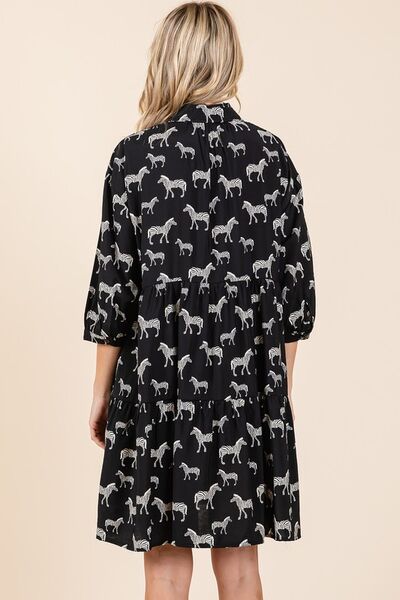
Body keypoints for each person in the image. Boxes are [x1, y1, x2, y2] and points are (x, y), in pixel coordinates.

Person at [82, 2, 316, 599]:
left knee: (163, 567)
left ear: (167, 59)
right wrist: (276, 394)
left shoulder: (134, 159)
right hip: (244, 386)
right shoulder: (272, 158)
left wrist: (101, 394)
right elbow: (294, 298)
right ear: (229, 59)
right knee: (240, 567)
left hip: (158, 385)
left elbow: (115, 290)